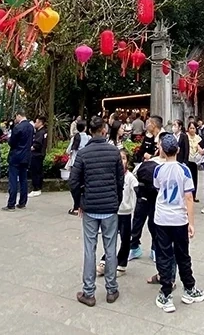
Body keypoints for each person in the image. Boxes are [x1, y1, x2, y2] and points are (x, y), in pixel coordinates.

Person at [70, 116, 124, 307]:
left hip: (90, 207)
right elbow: (120, 180)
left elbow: (73, 182)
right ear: (103, 130)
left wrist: (79, 202)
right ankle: (111, 289)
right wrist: (117, 200)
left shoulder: (83, 154)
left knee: (89, 249)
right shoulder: (114, 152)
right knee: (110, 249)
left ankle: (88, 292)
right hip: (110, 207)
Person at [152, 134, 204, 313]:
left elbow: (158, 188)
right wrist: (191, 222)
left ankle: (166, 293)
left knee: (164, 255)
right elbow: (189, 197)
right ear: (178, 150)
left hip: (161, 218)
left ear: (162, 150)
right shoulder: (184, 170)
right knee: (183, 254)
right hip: (179, 219)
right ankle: (189, 288)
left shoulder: (158, 170)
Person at [98, 148, 138, 277]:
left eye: (124, 158)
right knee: (110, 236)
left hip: (125, 213)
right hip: (113, 211)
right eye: (119, 158)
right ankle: (105, 260)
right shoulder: (112, 175)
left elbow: (137, 192)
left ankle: (122, 264)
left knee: (125, 239)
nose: (121, 161)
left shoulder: (130, 177)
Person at [130, 116, 165, 257]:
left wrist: (151, 157)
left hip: (156, 185)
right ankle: (134, 246)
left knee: (153, 220)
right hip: (144, 183)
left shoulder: (164, 137)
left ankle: (155, 248)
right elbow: (141, 152)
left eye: (149, 123)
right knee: (138, 217)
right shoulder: (149, 137)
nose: (147, 125)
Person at [4, 111, 33, 211]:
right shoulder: (31, 127)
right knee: (23, 180)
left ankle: (11, 203)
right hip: (26, 156)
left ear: (18, 116)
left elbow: (12, 142)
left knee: (13, 180)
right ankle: (22, 202)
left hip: (16, 156)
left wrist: (9, 140)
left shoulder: (17, 127)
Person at [67, 121, 90, 216]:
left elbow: (68, 150)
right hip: (85, 164)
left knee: (74, 185)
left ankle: (76, 207)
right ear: (85, 128)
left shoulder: (75, 138)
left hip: (75, 164)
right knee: (84, 185)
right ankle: (84, 205)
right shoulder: (89, 138)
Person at [30, 116, 48, 197]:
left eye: (36, 122)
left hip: (37, 154)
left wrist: (31, 148)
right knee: (39, 171)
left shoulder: (41, 132)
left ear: (40, 123)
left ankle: (36, 188)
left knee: (36, 171)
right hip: (41, 154)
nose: (35, 124)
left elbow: (37, 144)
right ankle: (38, 187)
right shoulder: (43, 131)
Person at [185, 121, 204, 201]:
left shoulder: (198, 138)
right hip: (187, 160)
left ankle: (194, 195)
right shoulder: (185, 137)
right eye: (190, 128)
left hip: (195, 160)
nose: (192, 130)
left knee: (194, 178)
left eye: (193, 128)